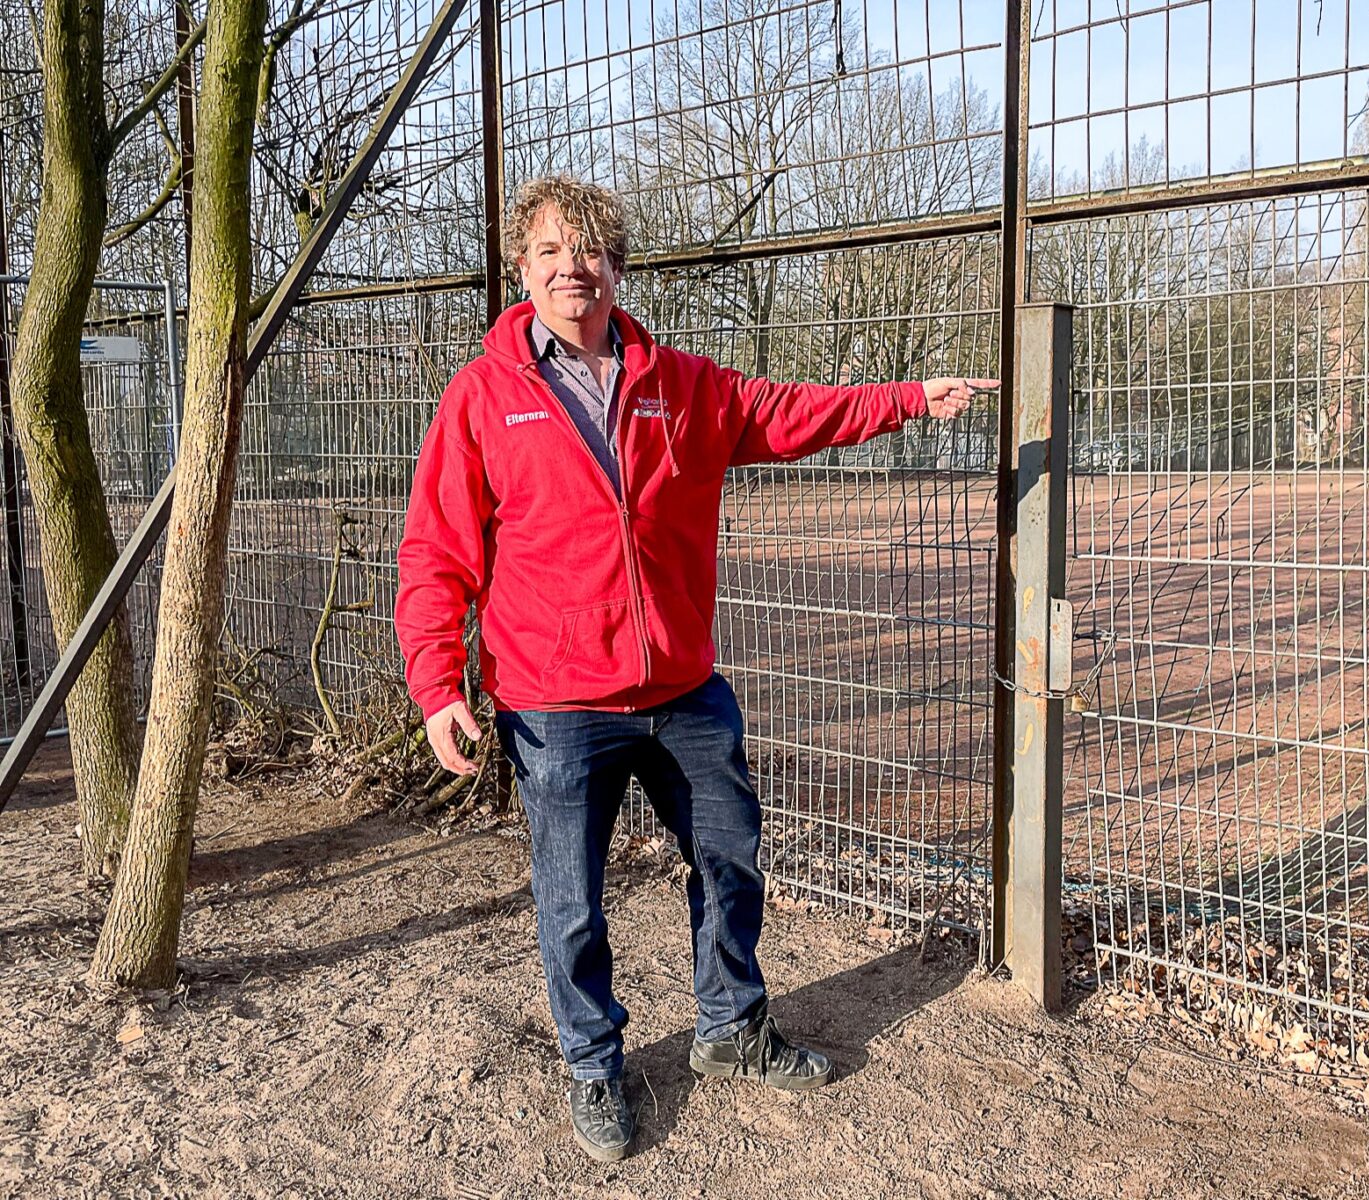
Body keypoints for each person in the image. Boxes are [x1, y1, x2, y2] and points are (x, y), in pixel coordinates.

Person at [395, 175, 991, 1164]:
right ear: (524, 272)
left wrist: (907, 400)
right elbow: (435, 551)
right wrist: (435, 684)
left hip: (682, 689)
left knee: (730, 860)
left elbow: (795, 412)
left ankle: (731, 1029)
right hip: (555, 703)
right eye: (548, 253)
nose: (569, 269)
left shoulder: (682, 385)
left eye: (587, 252)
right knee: (571, 900)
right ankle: (593, 1061)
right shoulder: (483, 397)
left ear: (617, 268)